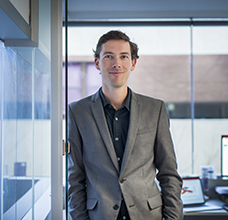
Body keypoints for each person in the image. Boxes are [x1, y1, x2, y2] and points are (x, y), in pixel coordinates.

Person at [68, 30, 183, 220]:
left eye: (123, 56)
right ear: (97, 63)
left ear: (133, 63)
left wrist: (172, 217)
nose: (116, 63)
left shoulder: (155, 109)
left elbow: (169, 172)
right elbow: (75, 179)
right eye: (108, 56)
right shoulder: (78, 112)